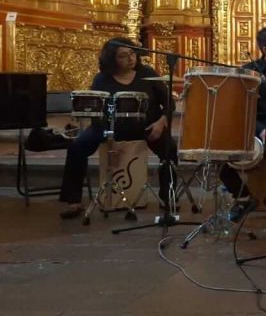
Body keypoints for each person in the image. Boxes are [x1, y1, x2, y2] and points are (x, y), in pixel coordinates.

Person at [58, 37, 177, 219]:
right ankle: (73, 201)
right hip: (110, 126)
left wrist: (161, 123)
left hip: (146, 126)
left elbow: (169, 103)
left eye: (131, 54)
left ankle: (168, 197)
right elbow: (97, 109)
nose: (130, 59)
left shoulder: (147, 73)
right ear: (112, 59)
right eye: (123, 56)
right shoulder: (102, 79)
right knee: (77, 147)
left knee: (170, 148)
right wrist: (105, 130)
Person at [218, 26, 266, 223]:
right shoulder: (249, 73)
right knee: (220, 158)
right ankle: (243, 198)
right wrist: (262, 130)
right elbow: (240, 111)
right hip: (256, 129)